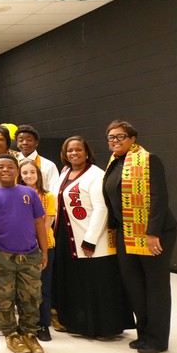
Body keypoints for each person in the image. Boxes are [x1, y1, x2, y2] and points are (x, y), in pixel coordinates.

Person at [103, 120, 177, 353]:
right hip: (127, 232)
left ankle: (157, 339)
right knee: (134, 286)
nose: (115, 141)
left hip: (153, 233)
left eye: (120, 137)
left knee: (155, 287)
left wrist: (153, 233)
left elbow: (159, 197)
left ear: (133, 139)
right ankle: (143, 333)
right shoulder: (114, 163)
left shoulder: (148, 160)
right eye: (111, 138)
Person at [52, 136, 134, 340]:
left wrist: (90, 240)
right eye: (70, 150)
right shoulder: (64, 173)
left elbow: (101, 208)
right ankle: (82, 325)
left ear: (87, 152)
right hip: (67, 238)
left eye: (78, 149)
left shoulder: (96, 175)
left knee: (97, 284)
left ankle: (105, 327)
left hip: (92, 239)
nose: (74, 153)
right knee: (79, 284)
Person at [0, 154, 47, 353]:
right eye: (1, 167)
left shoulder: (29, 193)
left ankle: (29, 333)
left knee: (31, 297)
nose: (5, 170)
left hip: (30, 255)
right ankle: (11, 335)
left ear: (17, 171)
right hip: (1, 256)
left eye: (10, 167)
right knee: (3, 298)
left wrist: (44, 251)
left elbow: (39, 223)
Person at [17, 160, 56, 342]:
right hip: (21, 247)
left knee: (43, 288)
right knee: (24, 289)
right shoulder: (15, 195)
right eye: (24, 173)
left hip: (43, 246)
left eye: (32, 172)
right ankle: (26, 323)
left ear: (38, 175)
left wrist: (37, 244)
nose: (29, 176)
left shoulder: (48, 196)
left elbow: (46, 225)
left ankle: (43, 324)